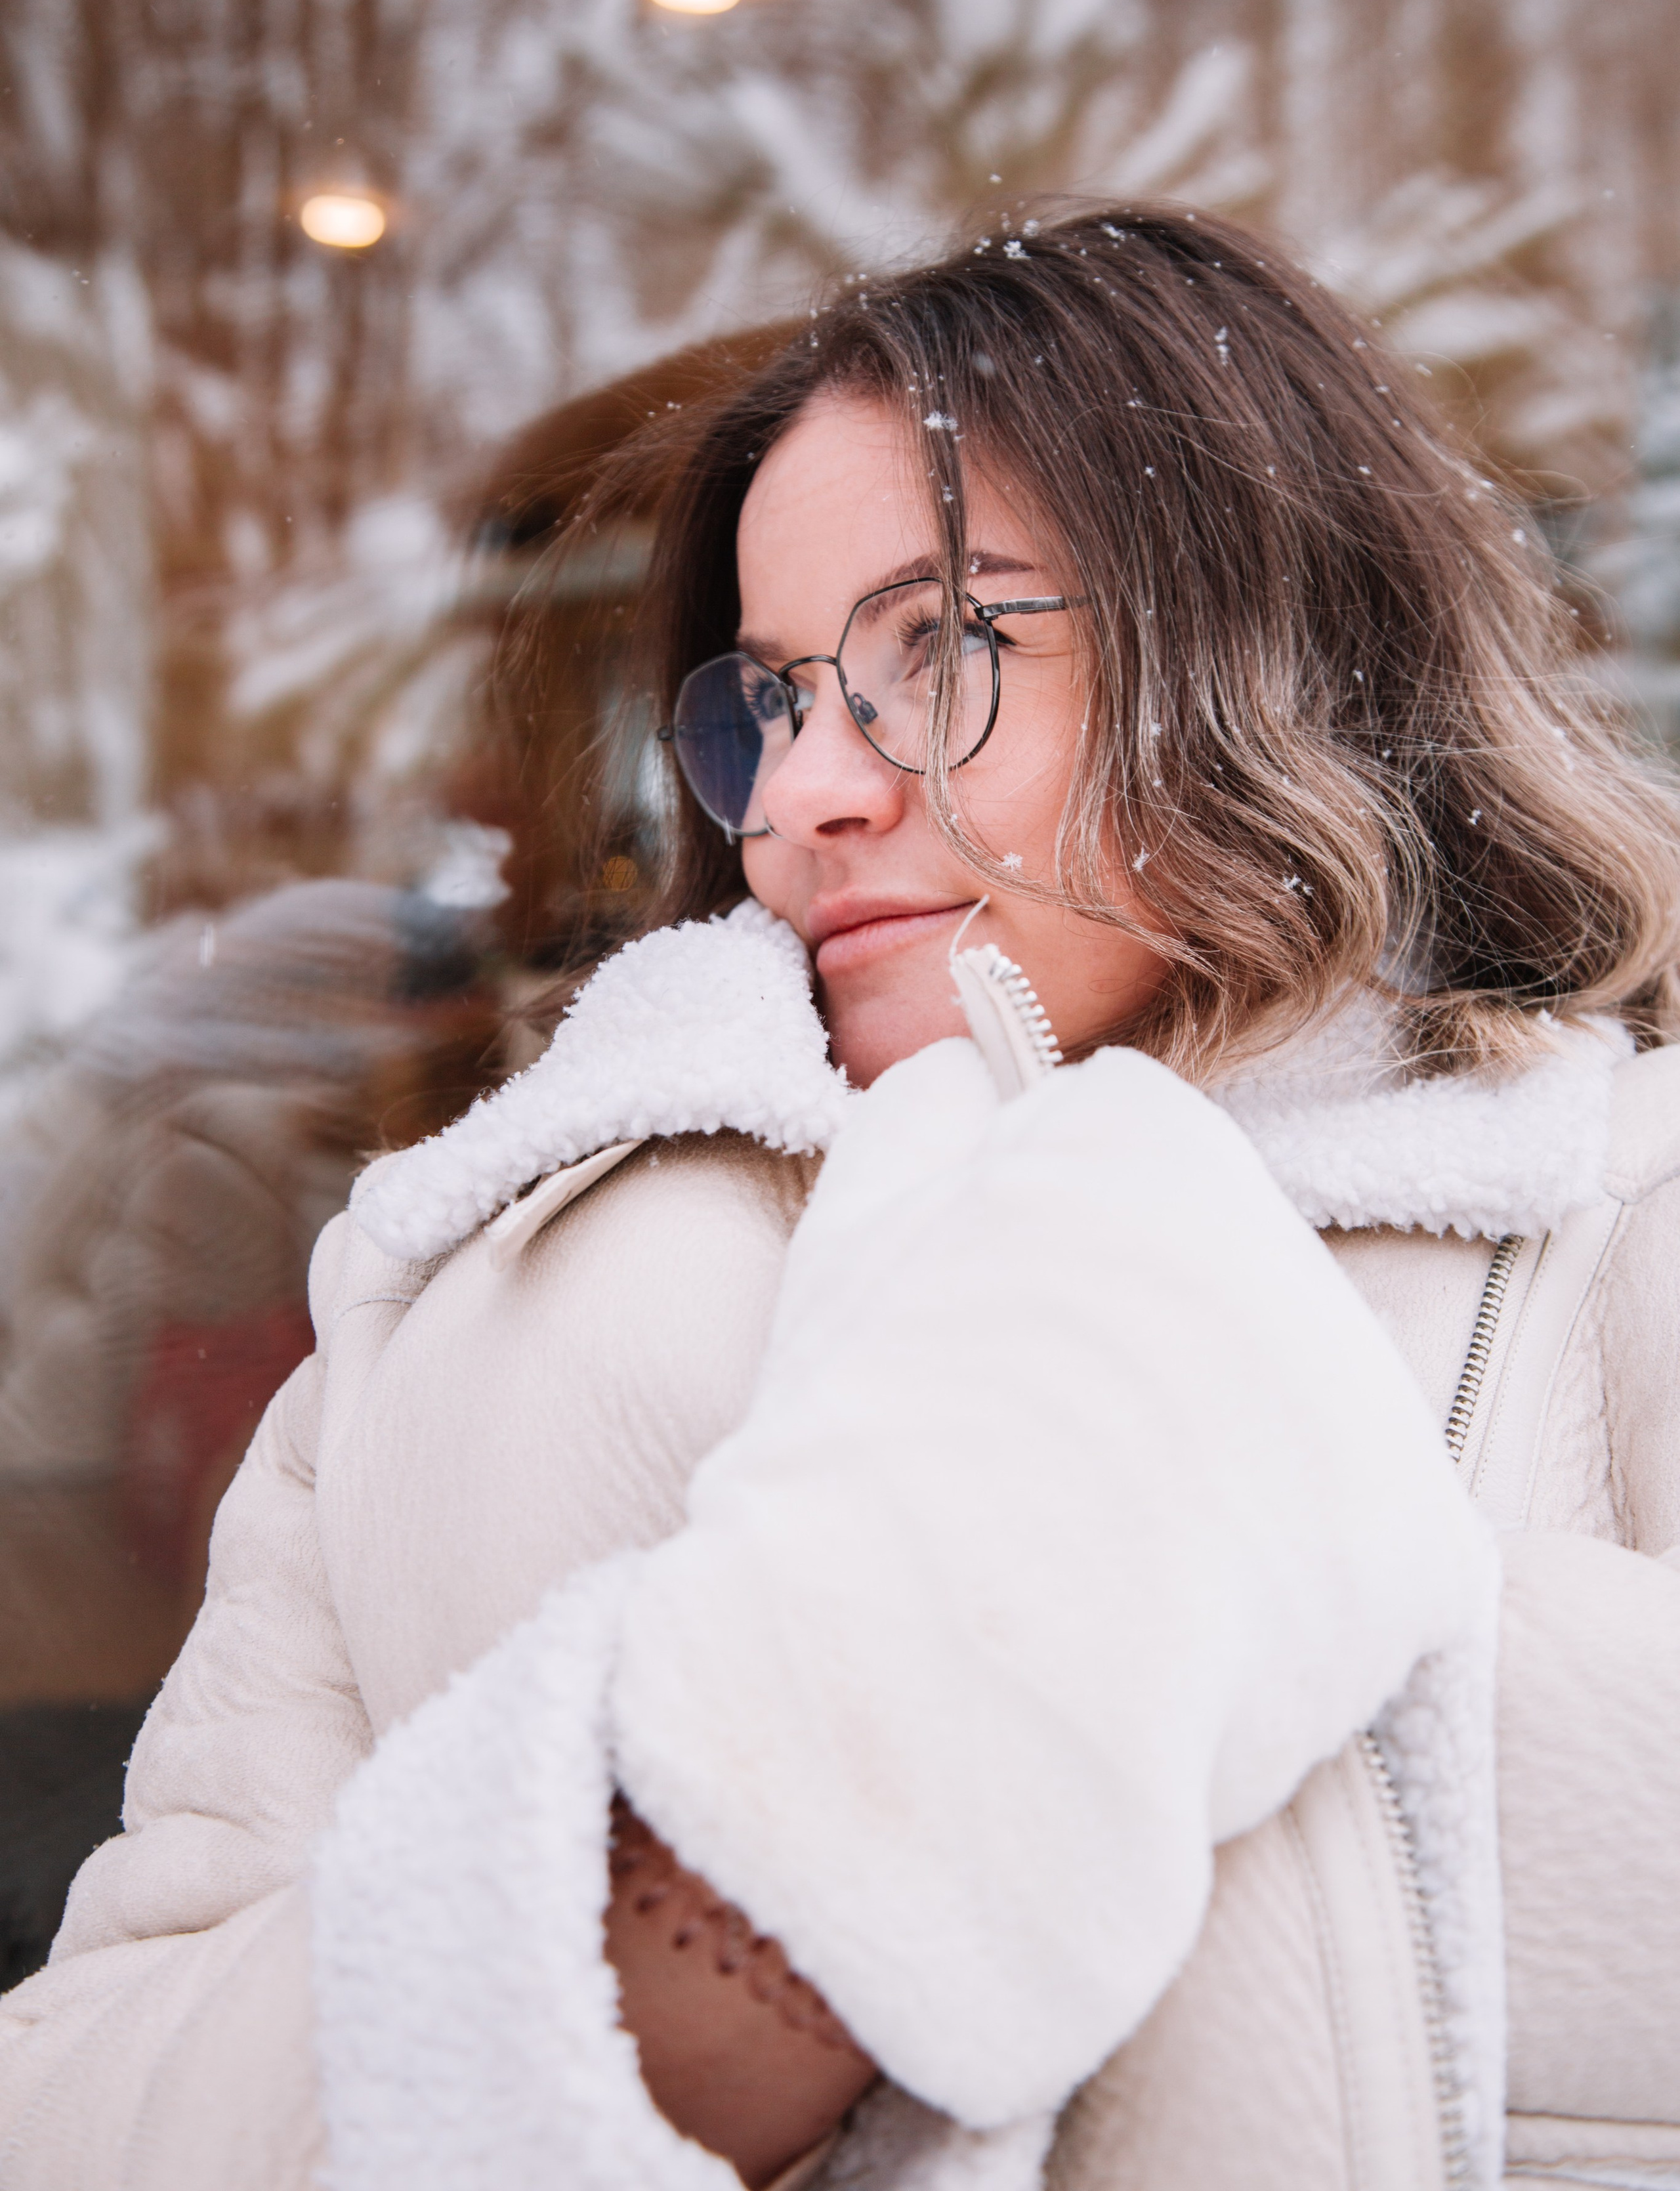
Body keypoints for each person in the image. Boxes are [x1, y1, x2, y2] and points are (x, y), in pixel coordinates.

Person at [4, 205, 1680, 2191]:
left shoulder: (1617, 1233)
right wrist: (721, 1894)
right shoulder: (455, 1305)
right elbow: (86, 2096)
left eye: (944, 647)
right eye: (776, 699)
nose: (801, 795)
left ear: (1279, 655)